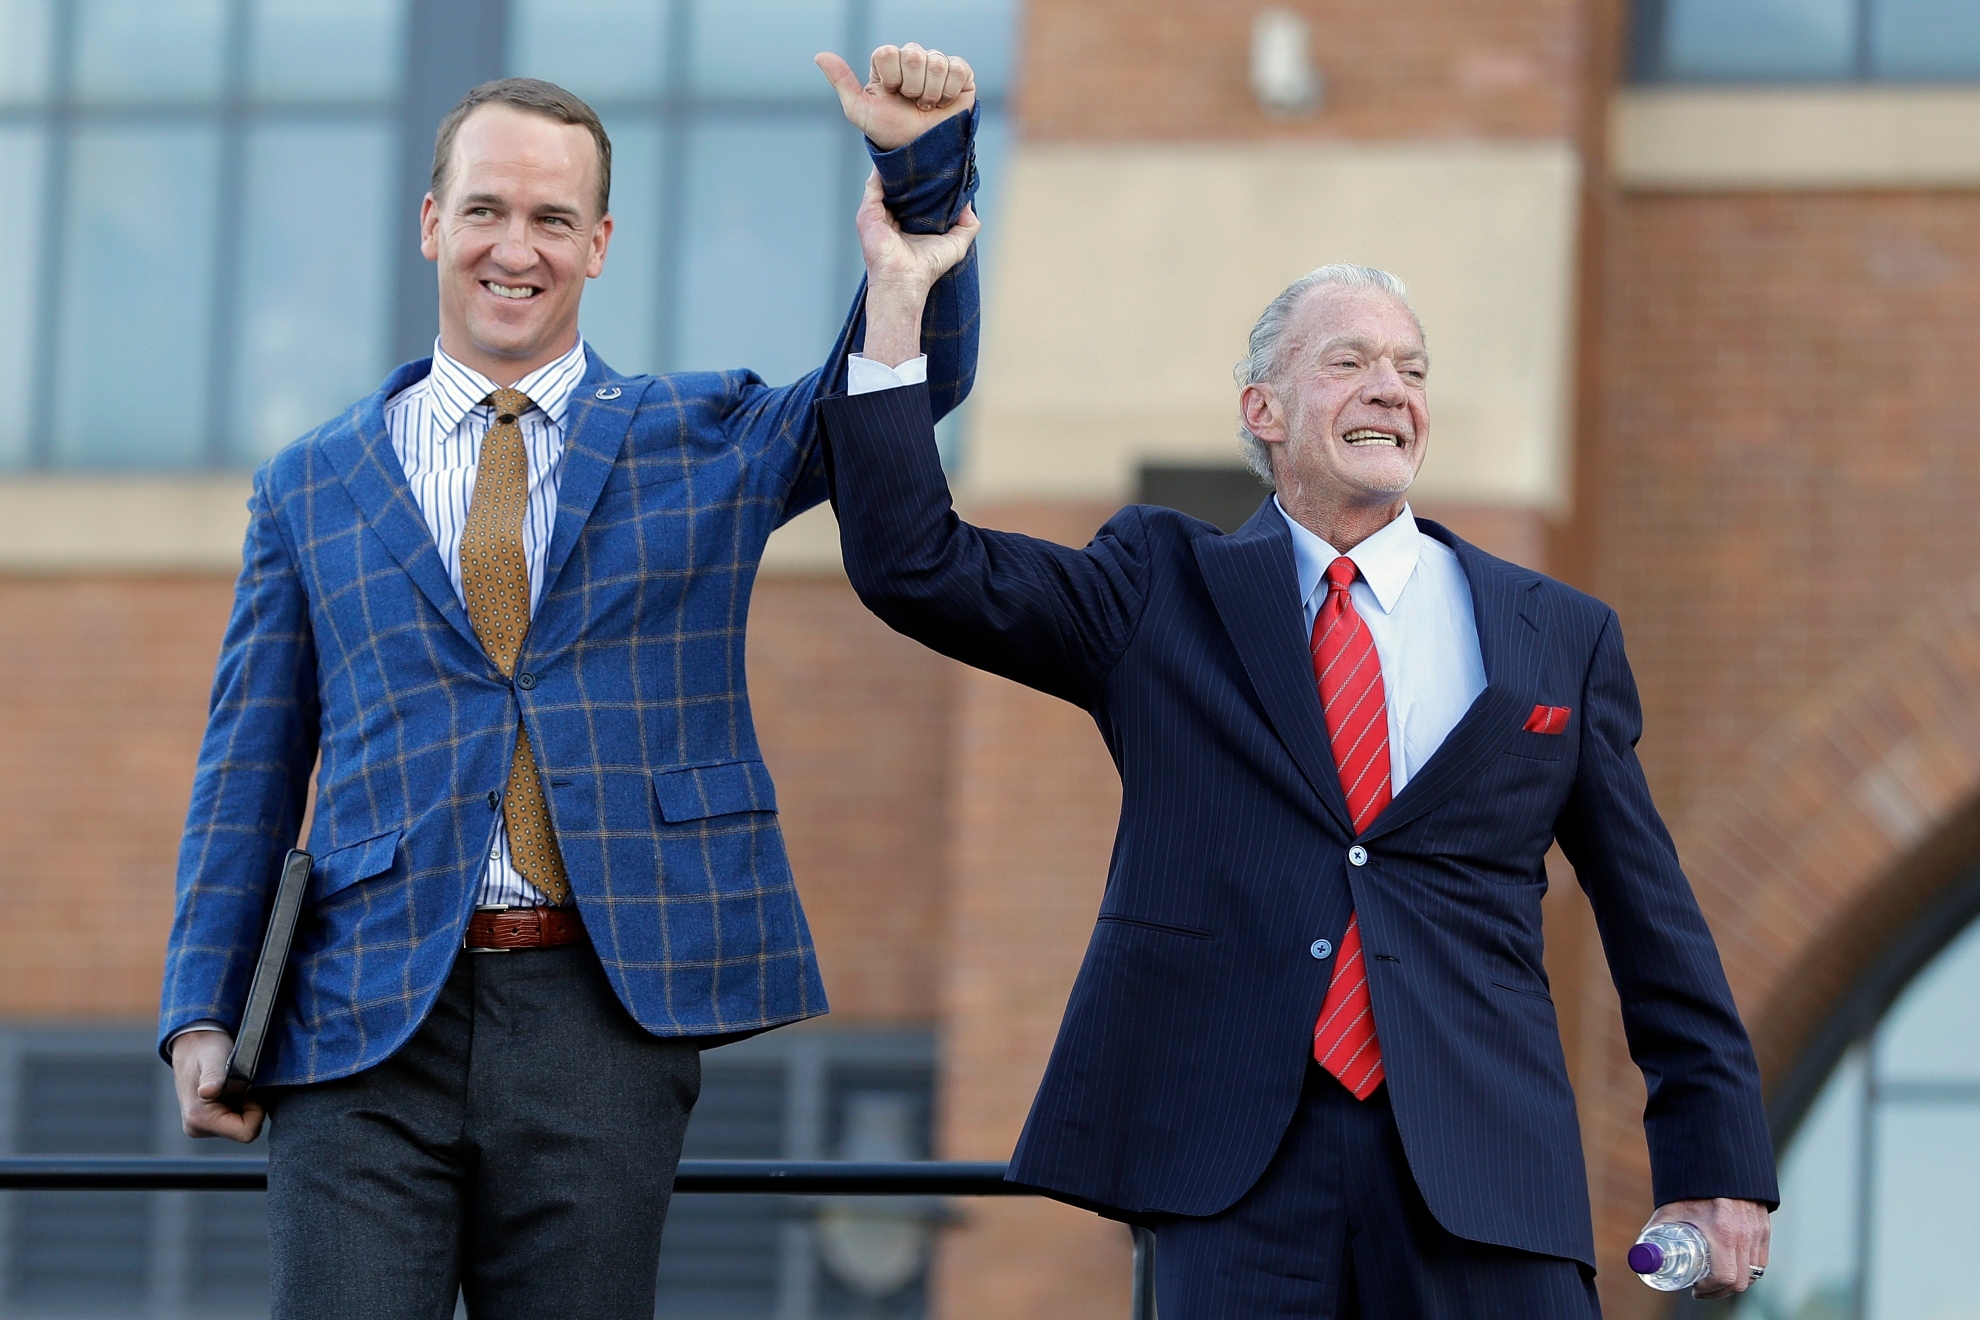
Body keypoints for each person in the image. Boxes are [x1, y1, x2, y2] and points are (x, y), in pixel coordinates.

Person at [158, 44, 980, 1319]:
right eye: (485, 209)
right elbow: (247, 769)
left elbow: (896, 393)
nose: (514, 246)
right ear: (433, 224)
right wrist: (202, 1005)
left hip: (602, 1008)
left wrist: (919, 179)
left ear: (600, 243)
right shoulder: (310, 484)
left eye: (552, 218)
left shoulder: (699, 439)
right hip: (362, 1014)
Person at [818, 233, 1780, 1314]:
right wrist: (899, 300)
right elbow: (916, 562)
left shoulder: (1555, 634)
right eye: (1350, 361)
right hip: (1236, 1176)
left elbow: (1652, 912)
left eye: (1412, 370)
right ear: (1262, 411)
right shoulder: (1157, 590)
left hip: (1486, 1172)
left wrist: (1716, 1160)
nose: (1392, 391)